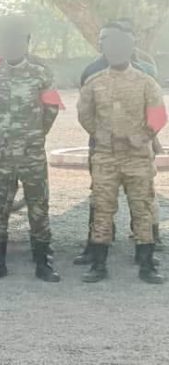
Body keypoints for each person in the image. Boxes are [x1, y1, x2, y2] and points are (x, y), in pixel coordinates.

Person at [0, 17, 62, 282]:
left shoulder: (41, 75)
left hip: (31, 154)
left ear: (26, 43)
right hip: (1, 156)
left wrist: (35, 134)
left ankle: (42, 262)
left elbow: (52, 108)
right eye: (6, 42)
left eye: (16, 41)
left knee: (38, 206)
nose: (11, 46)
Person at [77, 23, 166, 284]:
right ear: (105, 49)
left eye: (122, 46)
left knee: (142, 209)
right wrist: (98, 134)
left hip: (137, 157)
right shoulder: (94, 82)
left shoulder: (146, 82)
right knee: (102, 209)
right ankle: (99, 264)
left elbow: (158, 115)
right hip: (106, 157)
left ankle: (146, 265)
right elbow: (84, 113)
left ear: (130, 49)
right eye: (112, 46)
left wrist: (143, 137)